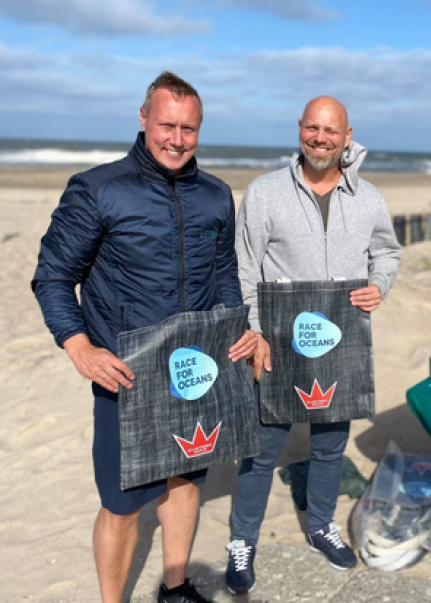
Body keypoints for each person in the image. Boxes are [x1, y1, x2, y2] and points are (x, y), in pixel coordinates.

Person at [32, 71, 257, 603]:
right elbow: (53, 276)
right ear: (143, 119)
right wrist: (78, 344)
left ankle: (174, 588)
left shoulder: (216, 195)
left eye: (189, 128)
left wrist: (239, 328)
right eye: (167, 125)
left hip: (195, 369)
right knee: (122, 502)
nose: (177, 139)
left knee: (185, 483)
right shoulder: (98, 190)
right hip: (126, 372)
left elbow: (225, 273)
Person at [225, 96, 402, 593]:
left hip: (338, 340)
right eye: (312, 128)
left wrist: (379, 284)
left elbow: (388, 252)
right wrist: (253, 331)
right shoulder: (264, 193)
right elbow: (243, 267)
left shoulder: (367, 197)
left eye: (331, 130)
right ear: (299, 129)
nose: (320, 138)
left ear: (347, 136)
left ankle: (321, 524)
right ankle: (242, 541)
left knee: (329, 447)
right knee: (262, 451)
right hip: (276, 341)